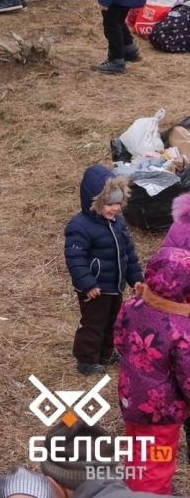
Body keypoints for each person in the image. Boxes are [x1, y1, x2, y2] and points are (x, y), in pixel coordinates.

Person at [110, 247, 190, 490]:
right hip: (161, 409)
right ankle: (150, 493)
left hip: (130, 395)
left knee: (137, 448)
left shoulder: (133, 305)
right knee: (157, 462)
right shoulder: (182, 330)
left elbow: (119, 340)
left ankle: (133, 487)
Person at [64, 166, 144, 379]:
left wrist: (136, 280)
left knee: (112, 320)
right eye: (109, 204)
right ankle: (87, 359)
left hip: (114, 284)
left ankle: (106, 352)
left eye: (118, 203)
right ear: (95, 202)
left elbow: (128, 253)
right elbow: (75, 259)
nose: (115, 208)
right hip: (95, 288)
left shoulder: (118, 223)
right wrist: (88, 284)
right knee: (93, 322)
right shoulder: (79, 227)